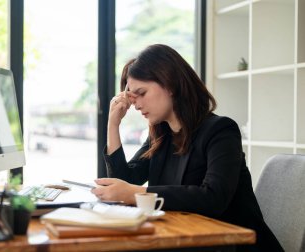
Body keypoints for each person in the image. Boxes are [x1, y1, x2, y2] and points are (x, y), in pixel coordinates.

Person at [91, 44, 283, 251]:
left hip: (234, 245)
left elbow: (213, 198)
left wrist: (136, 192)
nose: (136, 105)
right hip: (189, 241)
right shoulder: (161, 136)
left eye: (142, 93)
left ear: (170, 85)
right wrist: (113, 124)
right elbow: (125, 182)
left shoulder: (221, 130)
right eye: (132, 97)